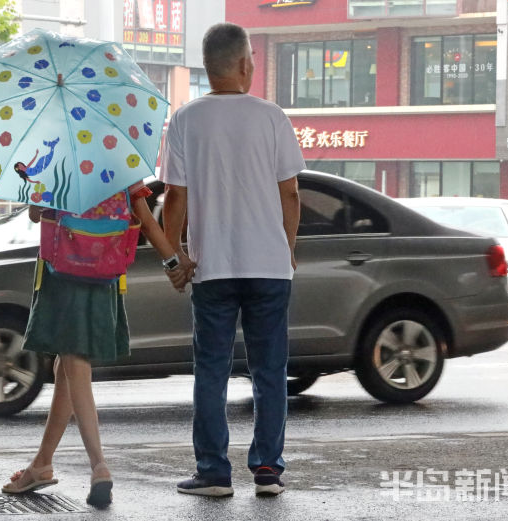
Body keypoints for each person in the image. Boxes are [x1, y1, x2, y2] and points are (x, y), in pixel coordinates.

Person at [160, 22, 305, 498]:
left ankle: (213, 471)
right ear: (245, 64)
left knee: (212, 369)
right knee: (268, 370)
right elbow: (291, 192)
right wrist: (287, 247)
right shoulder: (271, 117)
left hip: (212, 266)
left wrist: (177, 254)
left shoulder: (185, 120)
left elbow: (175, 199)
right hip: (269, 266)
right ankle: (267, 470)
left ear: (207, 66)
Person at [1, 180, 193, 507]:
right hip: (105, 272)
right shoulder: (119, 159)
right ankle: (42, 464)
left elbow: (35, 214)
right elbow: (144, 218)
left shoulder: (55, 156)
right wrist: (173, 263)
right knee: (66, 366)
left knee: (75, 365)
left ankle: (99, 466)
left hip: (63, 271)